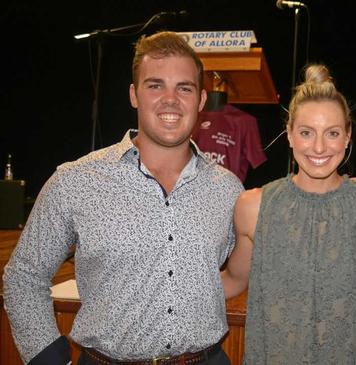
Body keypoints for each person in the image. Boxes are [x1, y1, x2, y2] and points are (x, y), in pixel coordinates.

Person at [3, 31, 241, 365]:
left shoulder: (229, 190)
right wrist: (47, 358)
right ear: (134, 94)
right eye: (155, 85)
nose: (170, 99)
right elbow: (24, 275)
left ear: (201, 100)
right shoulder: (76, 180)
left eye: (183, 88)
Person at [220, 64, 356, 364]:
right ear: (289, 134)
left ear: (347, 136)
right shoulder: (253, 207)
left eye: (332, 133)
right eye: (306, 132)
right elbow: (234, 281)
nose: (318, 147)